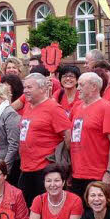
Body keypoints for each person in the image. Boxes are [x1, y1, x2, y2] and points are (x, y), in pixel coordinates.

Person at [16, 73, 71, 205]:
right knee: (27, 207)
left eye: (29, 87)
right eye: (24, 87)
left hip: (45, 168)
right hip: (26, 167)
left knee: (44, 207)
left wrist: (64, 162)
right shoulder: (28, 106)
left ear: (42, 89)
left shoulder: (53, 108)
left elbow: (68, 136)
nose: (25, 91)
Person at [68, 72, 110, 198]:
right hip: (77, 172)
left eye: (81, 85)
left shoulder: (107, 108)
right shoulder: (77, 107)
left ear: (94, 87)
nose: (77, 88)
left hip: (97, 174)